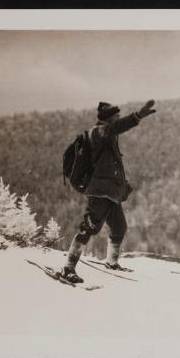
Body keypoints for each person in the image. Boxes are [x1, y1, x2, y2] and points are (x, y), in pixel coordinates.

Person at [58, 100, 157, 283]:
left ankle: (111, 262)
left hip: (110, 192)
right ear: (109, 119)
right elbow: (116, 128)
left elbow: (111, 166)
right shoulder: (100, 132)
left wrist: (122, 186)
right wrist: (137, 116)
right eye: (116, 117)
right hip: (99, 192)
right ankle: (68, 267)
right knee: (89, 229)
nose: (118, 119)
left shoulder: (108, 137)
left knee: (119, 227)